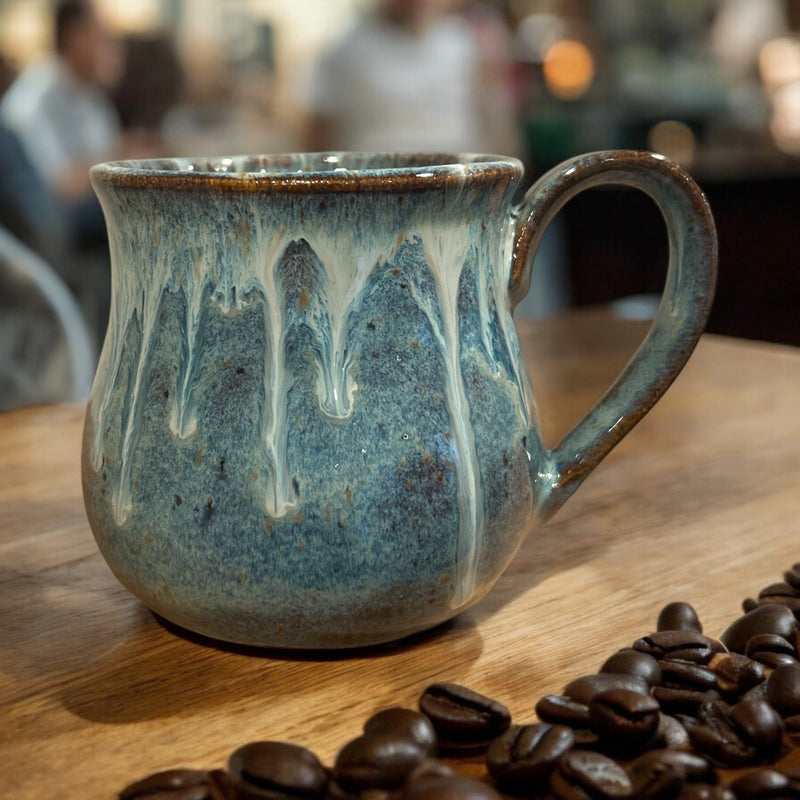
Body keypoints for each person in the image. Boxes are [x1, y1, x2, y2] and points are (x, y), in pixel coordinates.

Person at [306, 0, 521, 156]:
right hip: (372, 184)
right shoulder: (343, 50)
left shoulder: (469, 43)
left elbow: (497, 126)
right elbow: (319, 137)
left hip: (460, 182)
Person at [0, 0, 123, 249]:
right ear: (75, 38)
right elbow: (50, 191)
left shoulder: (91, 96)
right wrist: (120, 160)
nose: (115, 52)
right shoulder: (32, 101)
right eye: (103, 39)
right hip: (55, 241)